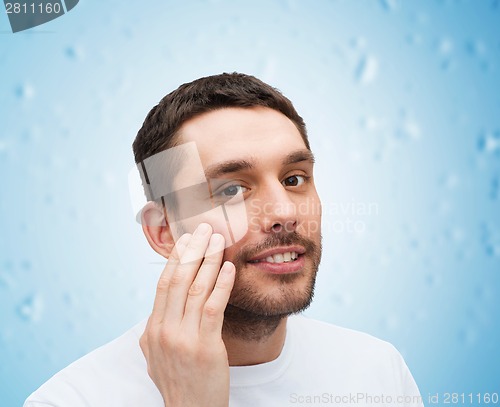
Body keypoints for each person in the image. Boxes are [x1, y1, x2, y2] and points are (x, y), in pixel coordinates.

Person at [24, 73, 423, 406]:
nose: (284, 213)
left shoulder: (378, 372)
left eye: (294, 179)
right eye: (231, 190)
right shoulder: (72, 399)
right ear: (163, 232)